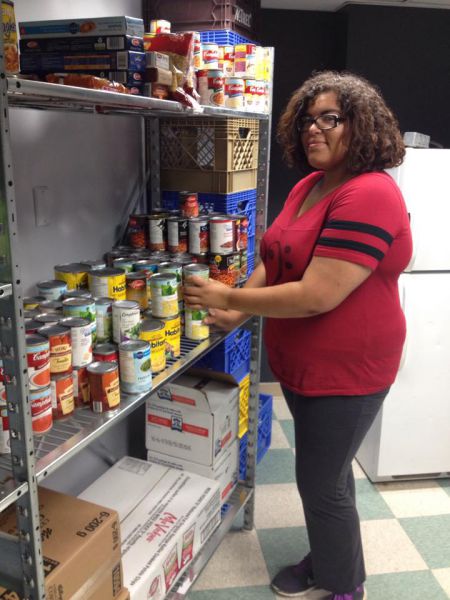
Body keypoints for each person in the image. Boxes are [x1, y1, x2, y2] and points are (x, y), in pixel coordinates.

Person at [184, 70, 412, 600]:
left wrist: (226, 298)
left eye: (330, 118)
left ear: (363, 125)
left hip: (350, 370)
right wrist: (240, 310)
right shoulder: (312, 186)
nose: (315, 129)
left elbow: (317, 294)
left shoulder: (371, 193)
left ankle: (344, 584)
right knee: (327, 477)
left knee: (319, 481)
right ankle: (332, 556)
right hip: (304, 363)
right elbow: (276, 258)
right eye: (309, 120)